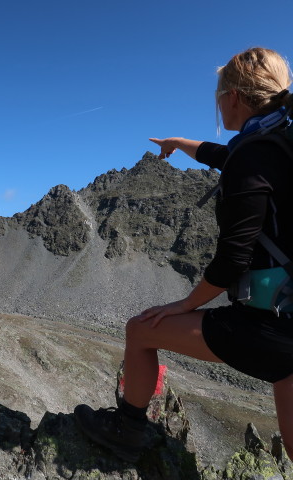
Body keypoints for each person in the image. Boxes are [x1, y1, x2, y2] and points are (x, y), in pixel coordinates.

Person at [75, 46, 293, 464]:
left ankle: (127, 430)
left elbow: (232, 258)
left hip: (272, 326)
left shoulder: (254, 156)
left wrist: (182, 304)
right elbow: (221, 155)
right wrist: (179, 142)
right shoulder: (276, 143)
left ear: (232, 97)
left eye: (217, 96)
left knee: (141, 330)